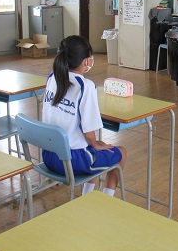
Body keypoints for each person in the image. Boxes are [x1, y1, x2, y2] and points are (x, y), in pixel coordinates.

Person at [42, 35, 126, 196]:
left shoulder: (52, 78)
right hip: (72, 160)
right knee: (121, 152)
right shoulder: (85, 86)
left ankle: (87, 198)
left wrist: (93, 144)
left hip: (49, 155)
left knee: (92, 150)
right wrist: (95, 144)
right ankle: (104, 200)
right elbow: (88, 132)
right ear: (86, 61)